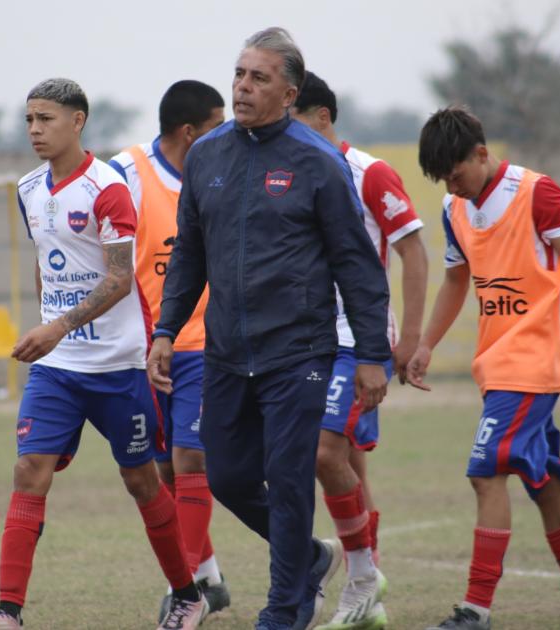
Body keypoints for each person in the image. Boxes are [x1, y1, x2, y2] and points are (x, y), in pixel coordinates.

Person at [148, 28, 391, 630]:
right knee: (225, 475)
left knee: (286, 478)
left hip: (299, 353)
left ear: (290, 92)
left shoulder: (317, 162)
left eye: (259, 78)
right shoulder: (207, 155)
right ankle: (308, 557)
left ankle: (284, 611)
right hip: (228, 352)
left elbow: (355, 264)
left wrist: (370, 353)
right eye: (239, 74)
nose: (242, 87)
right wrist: (166, 329)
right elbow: (189, 256)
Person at [0, 78, 205, 630]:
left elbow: (120, 279)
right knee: (29, 470)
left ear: (78, 121)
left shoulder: (107, 187)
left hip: (118, 365)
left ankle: (188, 595)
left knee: (142, 481)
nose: (34, 130)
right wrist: (53, 333)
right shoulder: (27, 189)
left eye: (46, 119)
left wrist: (57, 326)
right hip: (58, 369)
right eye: (29, 120)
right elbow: (48, 261)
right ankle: (8, 612)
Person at [407, 106, 560, 630]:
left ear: (481, 153)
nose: (453, 187)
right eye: (444, 181)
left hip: (531, 366)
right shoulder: (456, 209)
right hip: (496, 369)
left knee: (485, 473)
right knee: (545, 487)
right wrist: (425, 344)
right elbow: (456, 281)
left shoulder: (537, 193)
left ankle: (473, 613)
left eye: (457, 174)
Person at [290, 71, 429, 630]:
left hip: (359, 339)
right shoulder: (289, 172)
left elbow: (414, 252)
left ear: (322, 118)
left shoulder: (368, 172)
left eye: (294, 120)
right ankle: (363, 586)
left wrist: (411, 339)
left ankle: (362, 578)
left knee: (326, 455)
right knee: (346, 462)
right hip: (306, 342)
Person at [108, 80, 231, 621]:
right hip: (148, 347)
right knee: (164, 472)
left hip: (209, 345)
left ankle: (187, 594)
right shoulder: (126, 174)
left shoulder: (225, 174)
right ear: (189, 132)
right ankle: (207, 577)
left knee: (192, 456)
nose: (225, 135)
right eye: (215, 127)